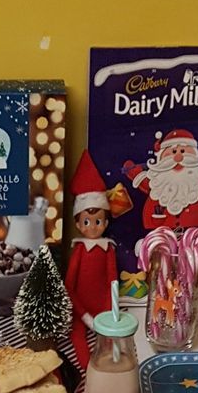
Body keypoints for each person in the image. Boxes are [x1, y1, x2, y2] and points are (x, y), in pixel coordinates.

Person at [64, 150, 118, 369]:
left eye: (98, 221)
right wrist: (84, 315)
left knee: (108, 340)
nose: (93, 227)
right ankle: (88, 370)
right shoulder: (79, 250)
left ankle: (105, 367)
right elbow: (69, 285)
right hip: (80, 309)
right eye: (87, 222)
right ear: (78, 224)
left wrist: (108, 311)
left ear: (105, 223)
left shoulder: (108, 249)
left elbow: (113, 282)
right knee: (77, 336)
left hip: (103, 308)